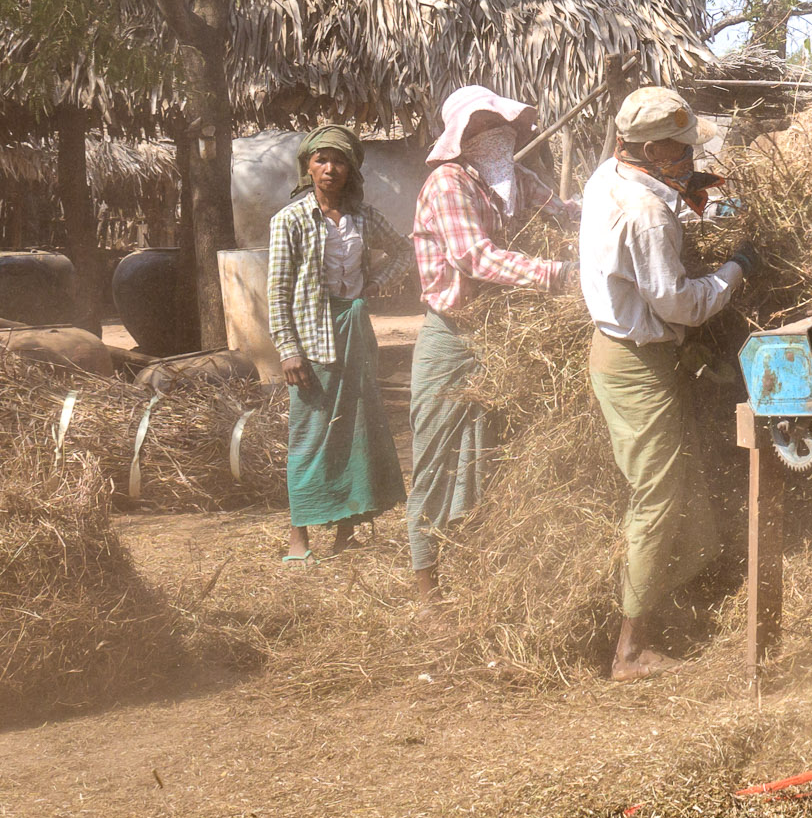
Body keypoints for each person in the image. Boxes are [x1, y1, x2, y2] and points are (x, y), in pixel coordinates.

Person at [580, 87, 756, 681]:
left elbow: (654, 217)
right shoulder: (648, 213)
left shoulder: (609, 174)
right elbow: (680, 304)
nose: (688, 159)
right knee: (656, 497)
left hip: (620, 351)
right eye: (681, 152)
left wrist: (695, 195)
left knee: (681, 486)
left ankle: (666, 604)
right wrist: (735, 269)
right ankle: (628, 648)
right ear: (651, 149)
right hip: (637, 361)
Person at [406, 85, 579, 596]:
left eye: (499, 125)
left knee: (489, 458)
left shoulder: (511, 180)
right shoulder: (447, 183)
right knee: (435, 459)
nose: (495, 135)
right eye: (482, 127)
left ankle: (478, 578)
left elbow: (564, 211)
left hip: (499, 339)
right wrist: (556, 274)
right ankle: (426, 591)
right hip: (451, 338)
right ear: (461, 137)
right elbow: (474, 257)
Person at [266, 125, 408, 561]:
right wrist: (288, 350)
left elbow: (405, 251)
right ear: (307, 166)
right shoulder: (289, 220)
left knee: (354, 430)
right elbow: (277, 293)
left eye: (340, 160)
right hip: (312, 336)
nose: (330, 169)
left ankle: (346, 531)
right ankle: (299, 538)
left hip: (355, 330)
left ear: (351, 168)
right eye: (321, 160)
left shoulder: (363, 217)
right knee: (310, 435)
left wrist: (375, 285)